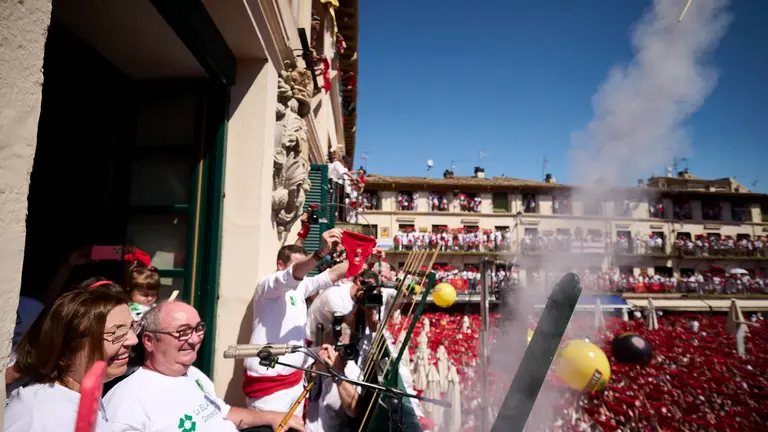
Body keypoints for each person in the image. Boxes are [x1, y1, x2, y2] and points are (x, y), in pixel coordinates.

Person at [105, 301, 302, 432]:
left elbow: (222, 411)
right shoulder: (127, 402)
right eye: (182, 332)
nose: (193, 339)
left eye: (198, 329)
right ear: (148, 341)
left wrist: (271, 416)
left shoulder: (193, 374)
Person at [244, 229, 352, 416]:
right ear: (280, 265)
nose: (304, 269)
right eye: (298, 264)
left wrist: (354, 251)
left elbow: (334, 274)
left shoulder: (301, 287)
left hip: (294, 381)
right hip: (270, 388)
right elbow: (293, 274)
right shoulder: (267, 285)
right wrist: (320, 253)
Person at [4, 288, 139, 431]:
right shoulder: (50, 419)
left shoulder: (74, 395)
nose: (134, 340)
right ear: (65, 351)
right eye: (116, 332)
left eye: (131, 327)